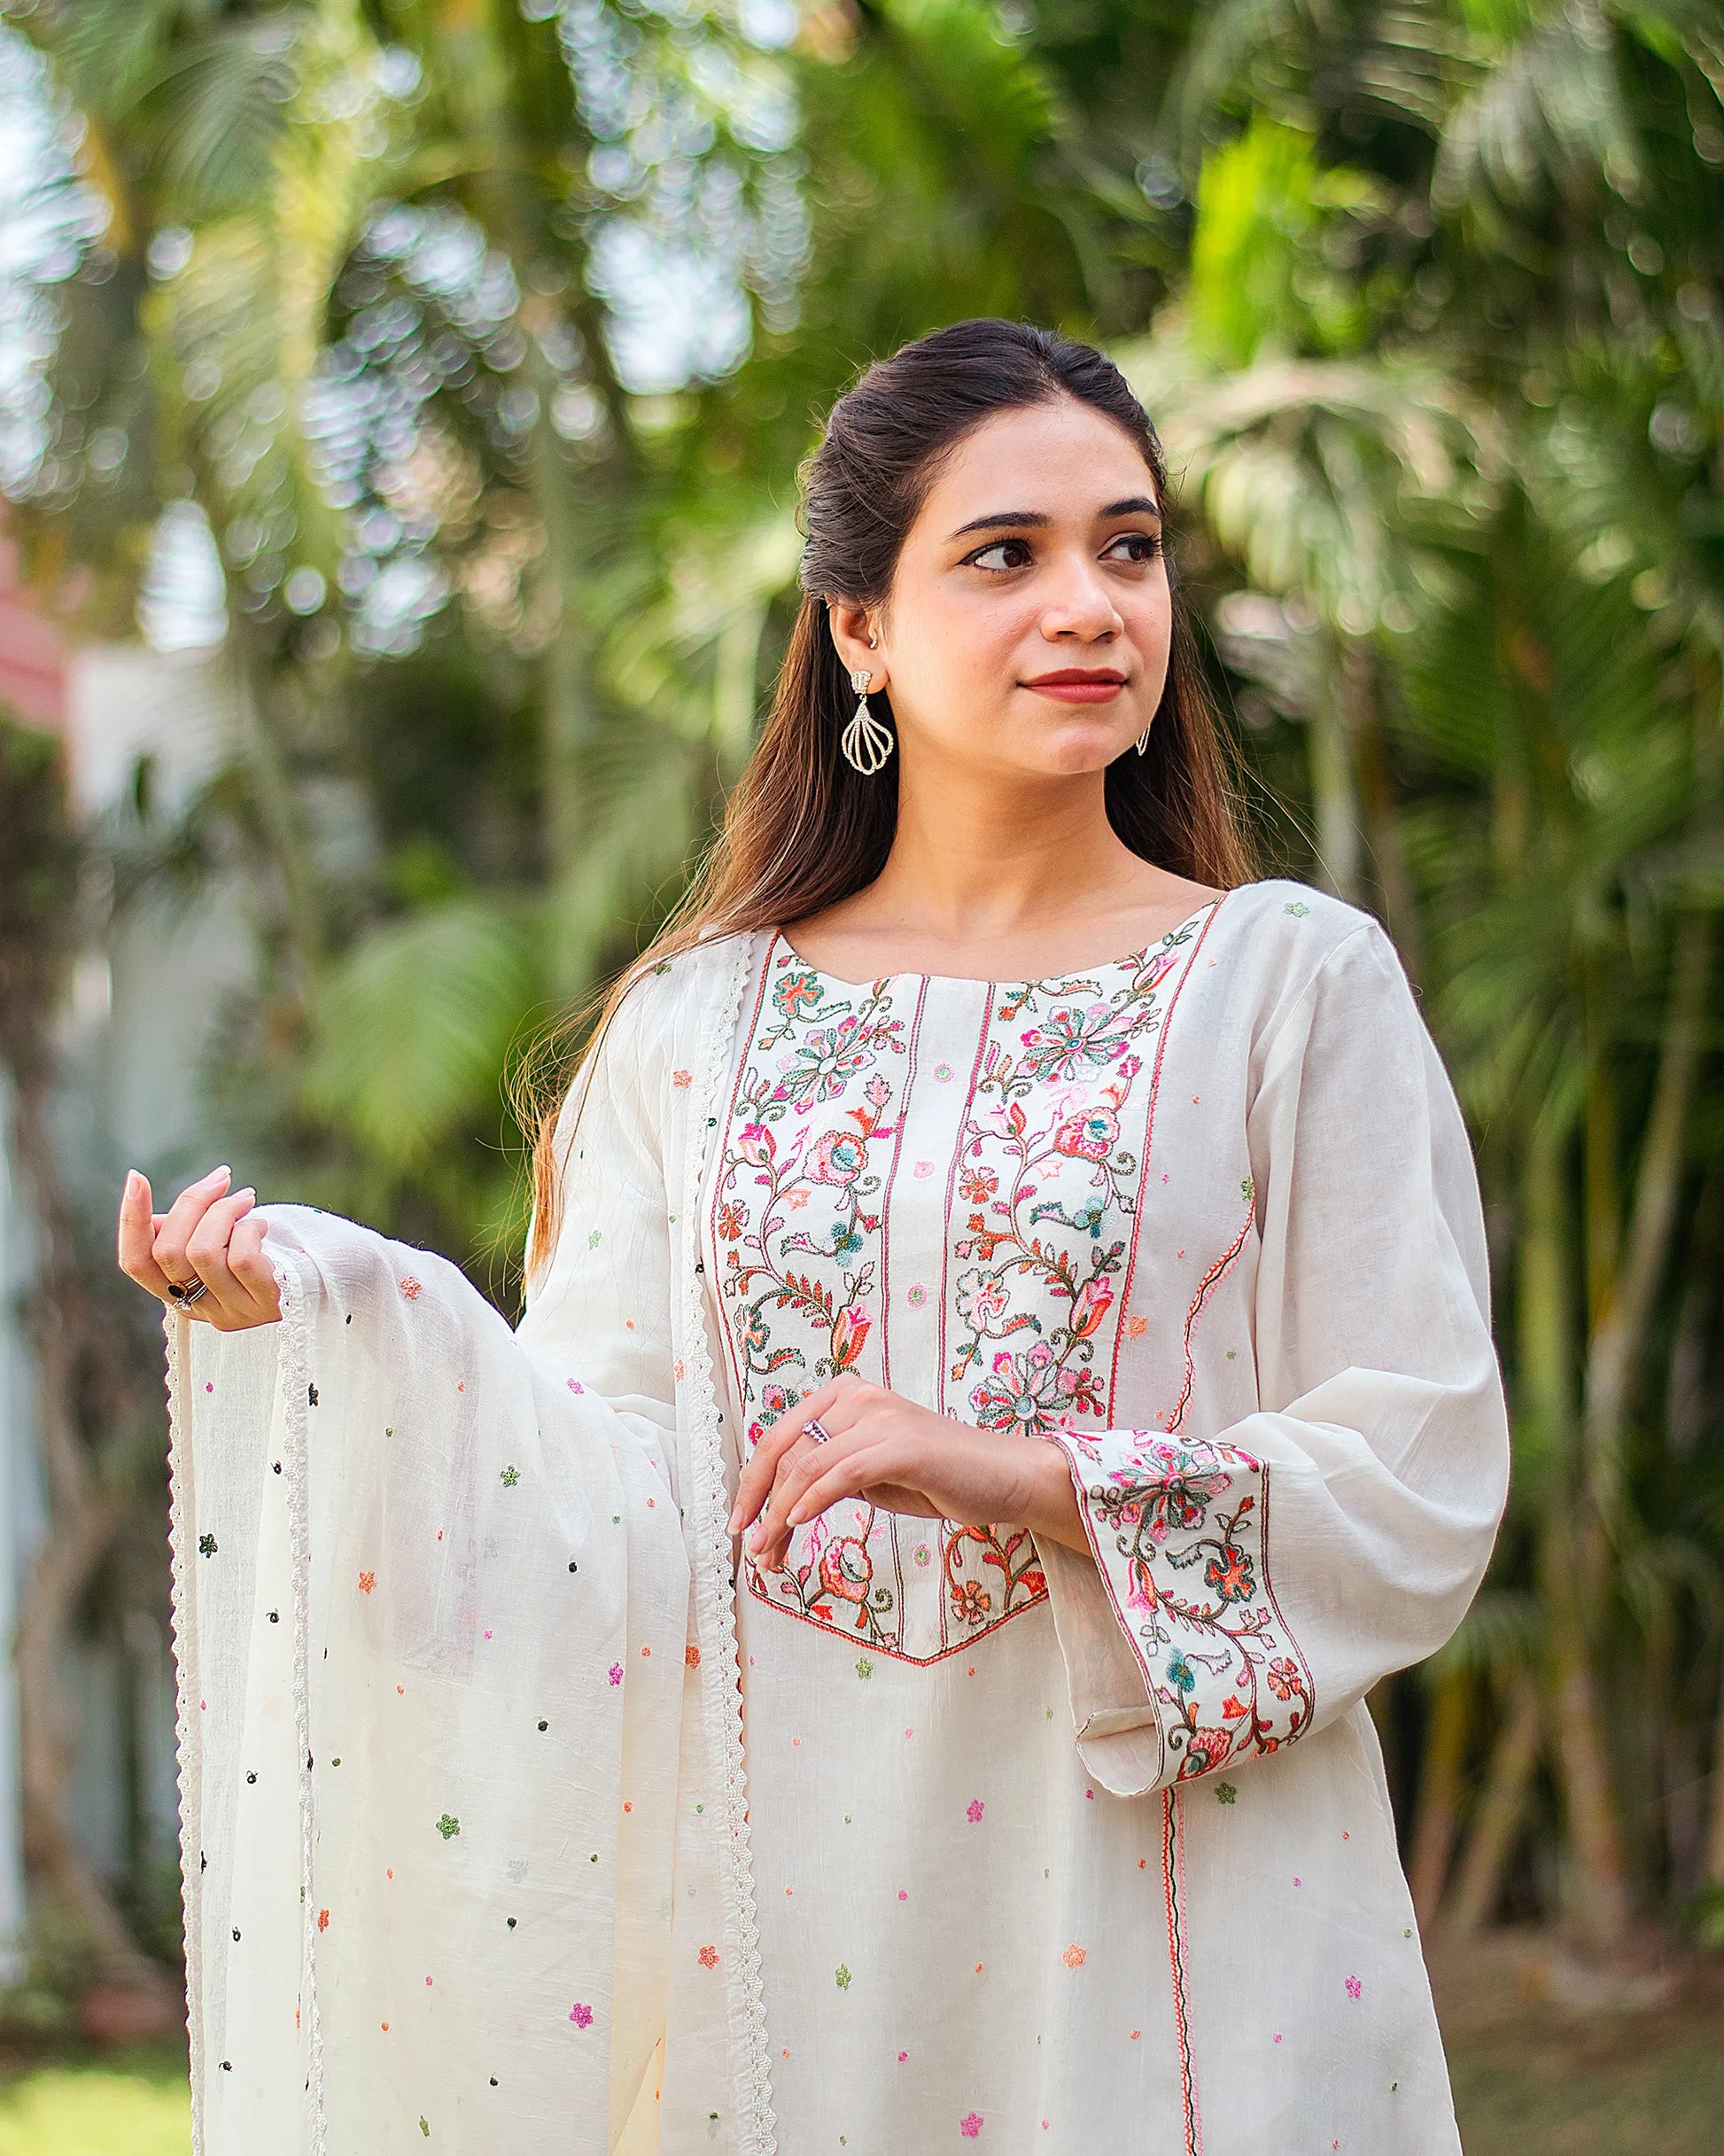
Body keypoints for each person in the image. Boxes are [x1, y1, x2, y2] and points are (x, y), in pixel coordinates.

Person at [119, 318, 1510, 2156]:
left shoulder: (1286, 984)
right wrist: (333, 1315)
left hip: (1176, 1931)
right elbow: (599, 1498)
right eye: (1004, 554)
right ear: (860, 624)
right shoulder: (694, 1029)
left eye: (1130, 545)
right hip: (783, 1941)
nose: (1091, 604)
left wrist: (1022, 1474)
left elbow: (1411, 1470)